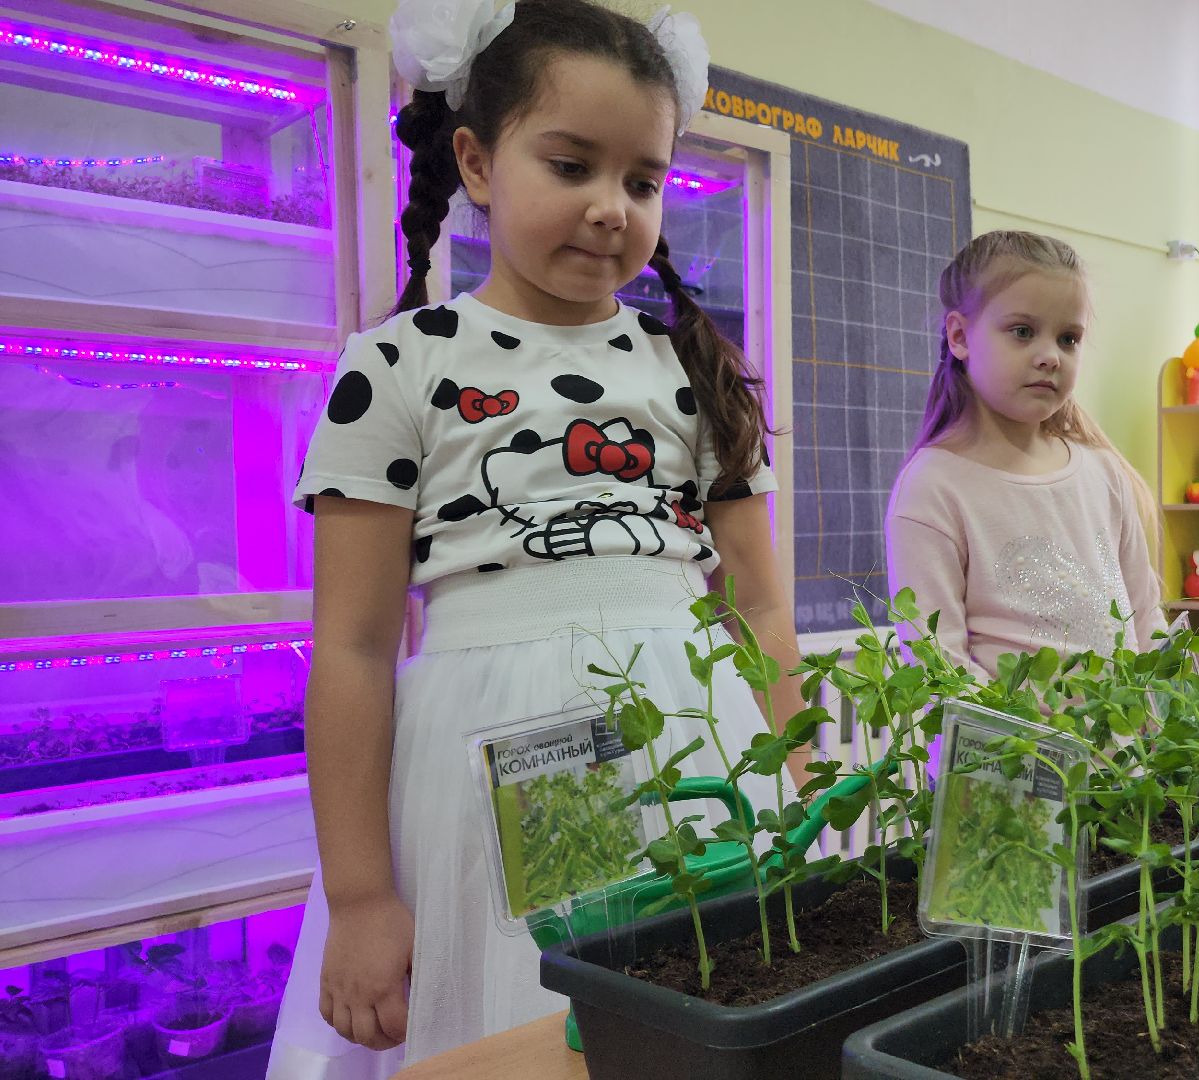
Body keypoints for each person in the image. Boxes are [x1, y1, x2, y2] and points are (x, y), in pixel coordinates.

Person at [269, 2, 805, 1074]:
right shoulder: (396, 364)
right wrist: (361, 896)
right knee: (517, 1027)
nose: (610, 207)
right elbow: (355, 647)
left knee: (697, 1026)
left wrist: (792, 790)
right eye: (571, 165)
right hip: (479, 758)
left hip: (694, 743)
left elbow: (756, 603)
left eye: (643, 181)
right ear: (476, 161)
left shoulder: (695, 370)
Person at [885, 230, 1165, 679]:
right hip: (1002, 730)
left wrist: (1170, 709)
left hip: (1126, 729)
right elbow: (939, 666)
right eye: (1023, 332)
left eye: (1068, 338)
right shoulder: (933, 487)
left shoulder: (1103, 472)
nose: (1051, 356)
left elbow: (1147, 621)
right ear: (959, 336)